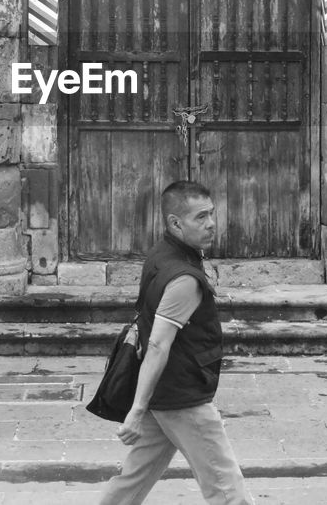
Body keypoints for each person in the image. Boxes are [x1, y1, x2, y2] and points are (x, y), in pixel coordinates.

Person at [98, 181, 252, 505]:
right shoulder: (184, 279)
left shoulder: (161, 254)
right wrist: (137, 409)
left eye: (211, 214)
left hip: (162, 392)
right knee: (226, 486)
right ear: (175, 223)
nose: (211, 224)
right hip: (183, 398)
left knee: (132, 481)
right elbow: (157, 345)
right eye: (200, 218)